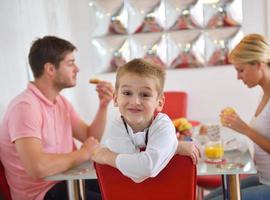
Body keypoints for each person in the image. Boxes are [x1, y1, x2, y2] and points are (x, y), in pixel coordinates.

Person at [0, 36, 114, 200]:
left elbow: (90, 138)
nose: (77, 69)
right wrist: (83, 153)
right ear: (50, 69)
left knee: (119, 187)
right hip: (41, 194)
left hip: (65, 181)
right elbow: (37, 167)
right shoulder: (24, 107)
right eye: (70, 63)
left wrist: (103, 105)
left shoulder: (60, 102)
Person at [205, 34, 270, 200]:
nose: (238, 76)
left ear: (257, 64)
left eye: (240, 70)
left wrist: (246, 130)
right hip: (267, 179)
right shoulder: (267, 94)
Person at [93, 58, 200, 183]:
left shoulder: (163, 125)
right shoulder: (116, 127)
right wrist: (172, 148)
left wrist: (106, 156)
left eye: (145, 95)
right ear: (116, 99)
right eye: (127, 93)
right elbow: (136, 173)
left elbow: (145, 168)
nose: (135, 102)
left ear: (159, 102)